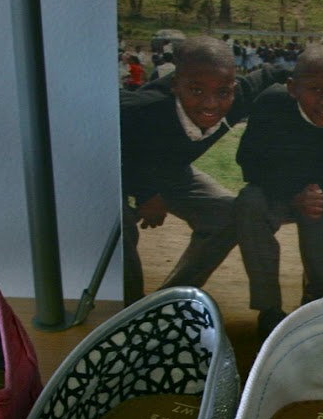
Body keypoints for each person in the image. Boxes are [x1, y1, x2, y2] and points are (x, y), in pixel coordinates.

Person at [118, 36, 286, 300]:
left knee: (229, 213)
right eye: (196, 91)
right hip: (112, 171)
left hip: (171, 171)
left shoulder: (236, 97)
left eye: (223, 92)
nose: (211, 104)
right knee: (117, 224)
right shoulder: (141, 108)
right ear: (175, 85)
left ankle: (169, 299)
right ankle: (129, 306)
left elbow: (277, 72)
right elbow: (108, 146)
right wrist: (146, 192)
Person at [233, 44, 323, 340]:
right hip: (278, 193)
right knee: (249, 202)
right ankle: (269, 307)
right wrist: (294, 195)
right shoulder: (272, 104)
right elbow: (248, 163)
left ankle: (316, 292)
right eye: (315, 90)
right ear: (293, 88)